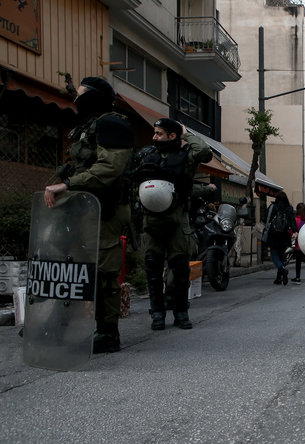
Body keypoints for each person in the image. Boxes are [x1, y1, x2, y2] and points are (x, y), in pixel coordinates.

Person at [44, 76, 134, 354]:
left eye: (81, 94)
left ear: (94, 97)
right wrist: (59, 182)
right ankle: (58, 324)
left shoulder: (112, 123)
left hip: (105, 209)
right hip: (82, 209)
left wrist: (68, 185)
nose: (76, 99)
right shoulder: (88, 127)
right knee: (69, 267)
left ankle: (108, 334)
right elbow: (78, 167)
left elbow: (110, 167)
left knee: (105, 273)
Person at [133, 118, 212, 331]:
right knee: (153, 268)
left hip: (178, 219)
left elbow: (204, 151)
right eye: (154, 133)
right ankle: (157, 314)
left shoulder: (186, 156)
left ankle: (181, 312)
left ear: (173, 135)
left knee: (179, 269)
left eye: (159, 133)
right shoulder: (147, 155)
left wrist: (187, 134)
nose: (154, 137)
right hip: (151, 220)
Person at [263, 191, 296, 285]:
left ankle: (282, 269)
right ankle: (278, 278)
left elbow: (265, 219)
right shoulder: (289, 208)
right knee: (282, 256)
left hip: (273, 234)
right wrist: (295, 231)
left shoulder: (272, 207)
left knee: (274, 255)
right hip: (285, 235)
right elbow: (292, 221)